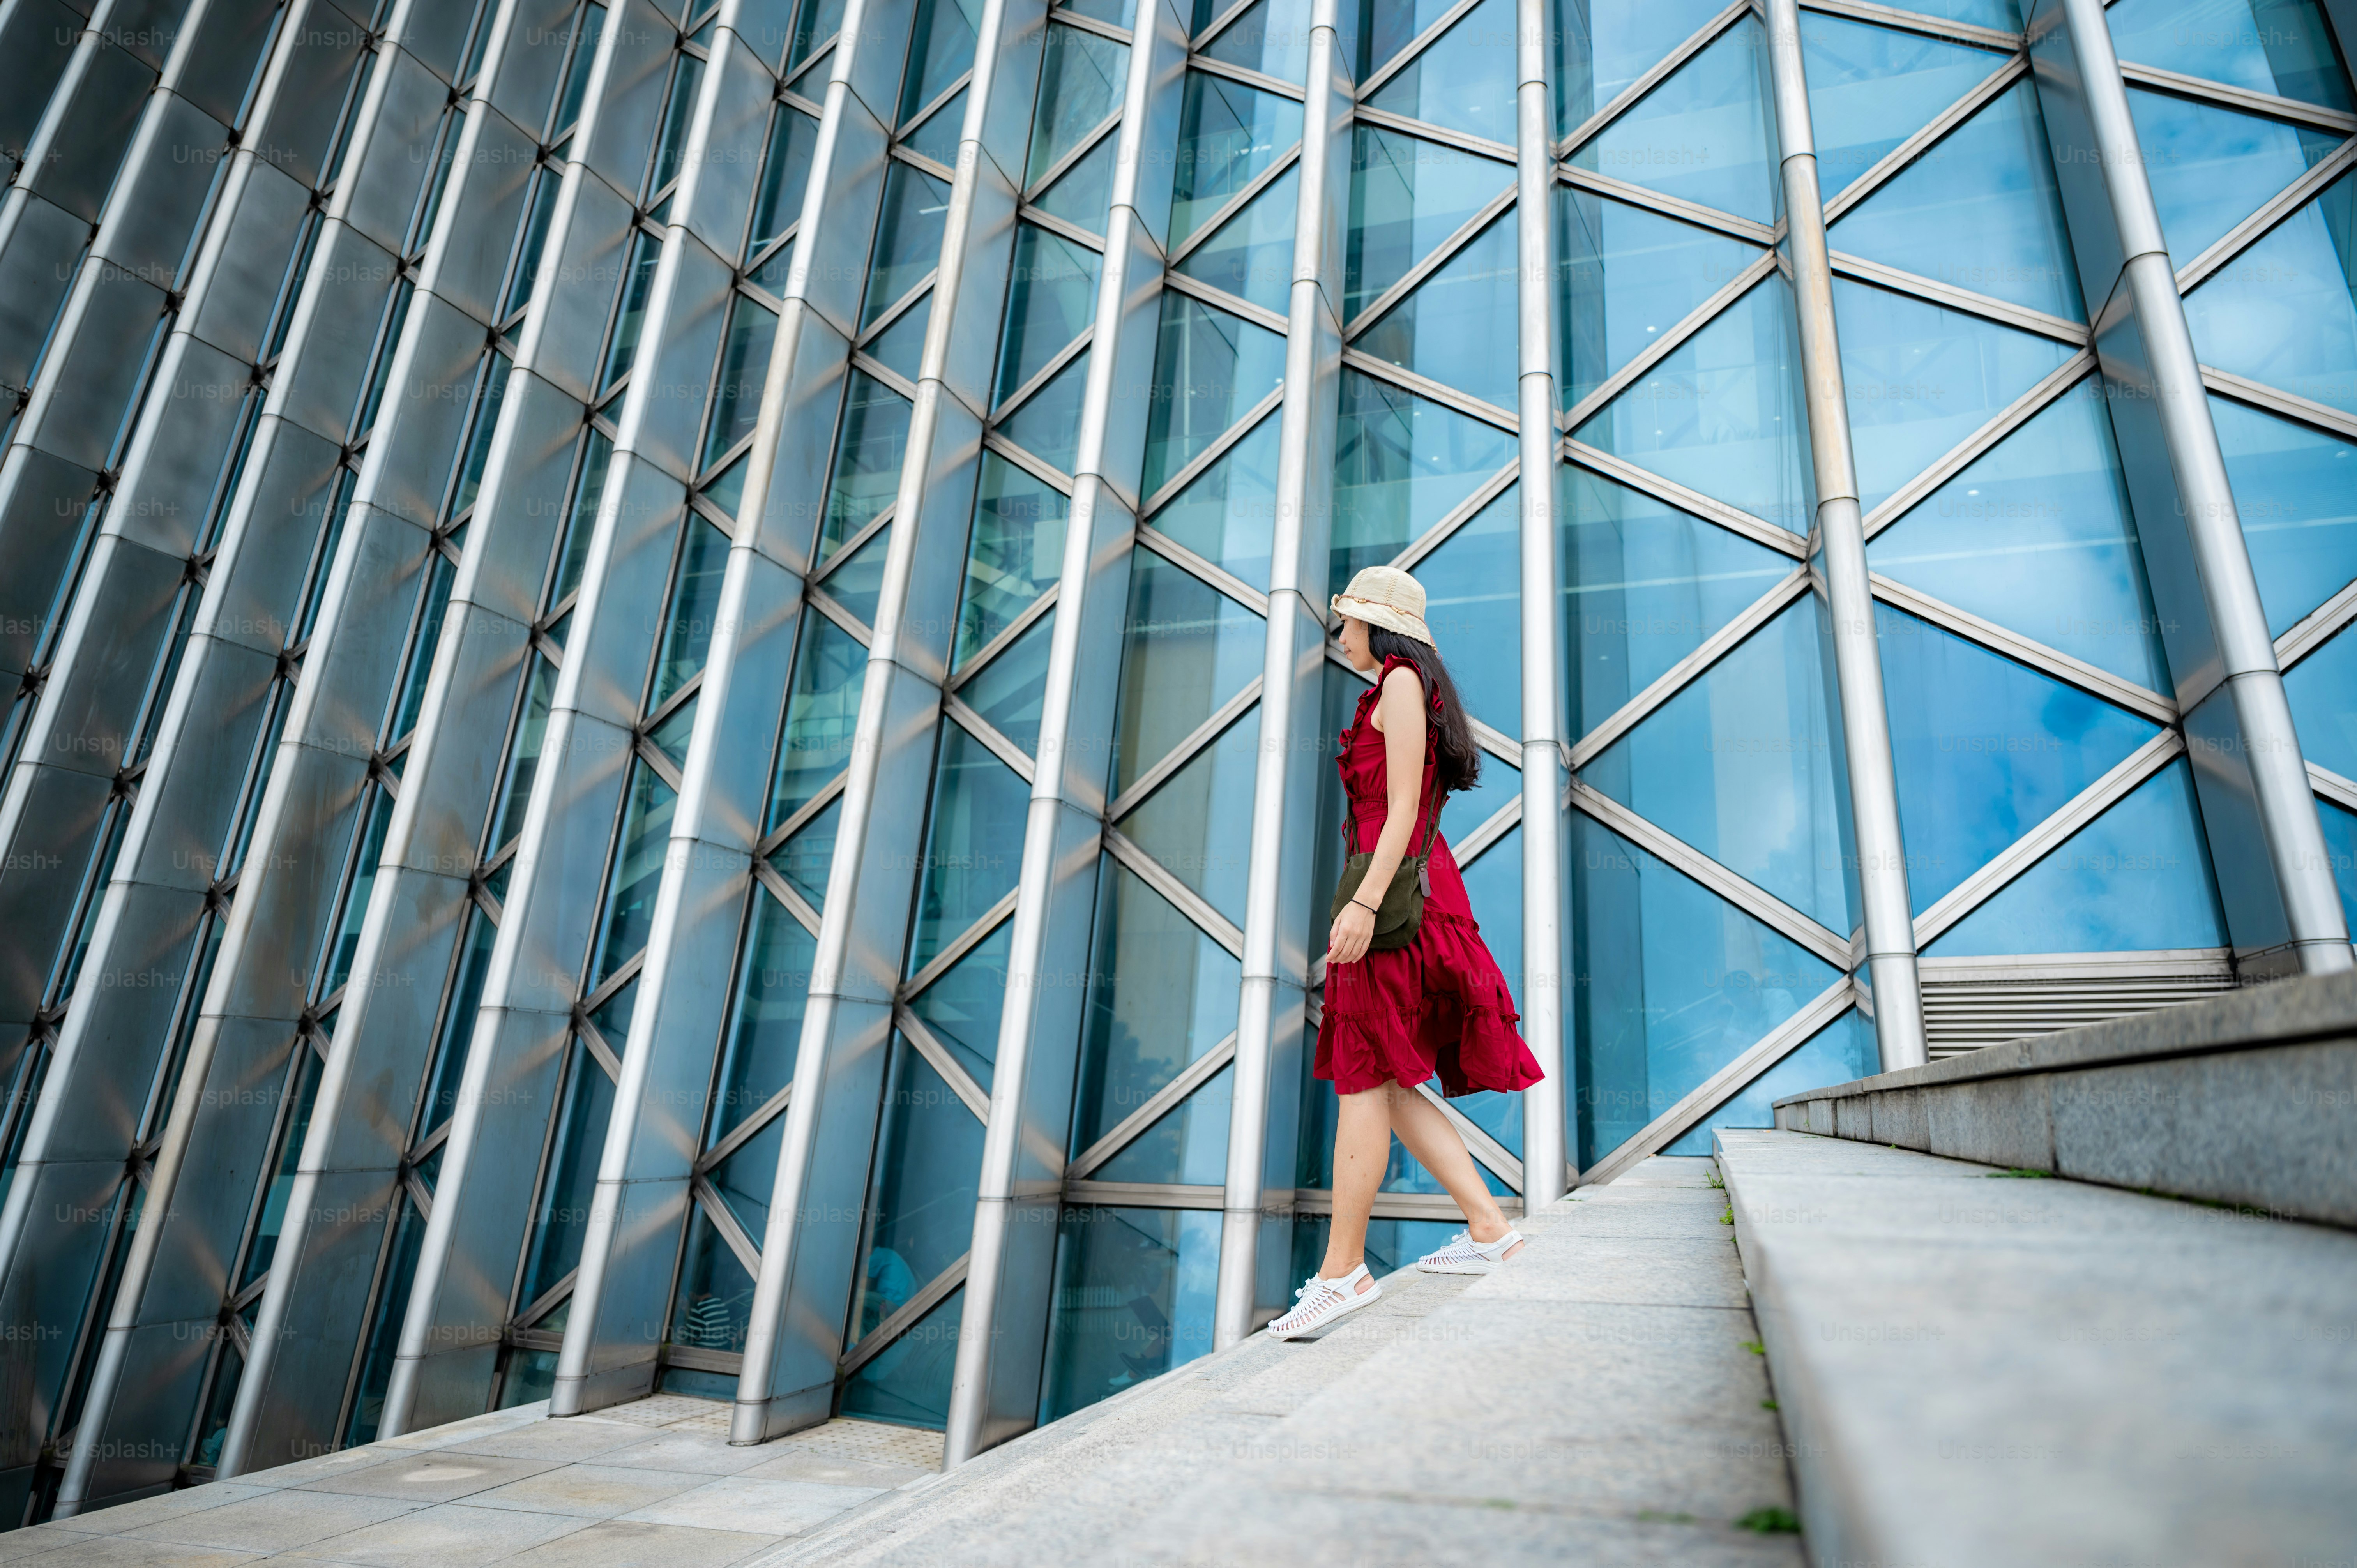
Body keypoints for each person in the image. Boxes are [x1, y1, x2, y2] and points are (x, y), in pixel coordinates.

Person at [1265, 565, 1545, 1340]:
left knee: (1363, 1073)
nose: (1341, 632)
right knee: (1382, 1075)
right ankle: (1490, 1226)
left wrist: (1359, 904)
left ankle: (1341, 1272)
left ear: (1379, 627)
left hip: (1393, 900)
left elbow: (1401, 818)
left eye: (1349, 619)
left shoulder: (1398, 684)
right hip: (1400, 895)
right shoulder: (1397, 687)